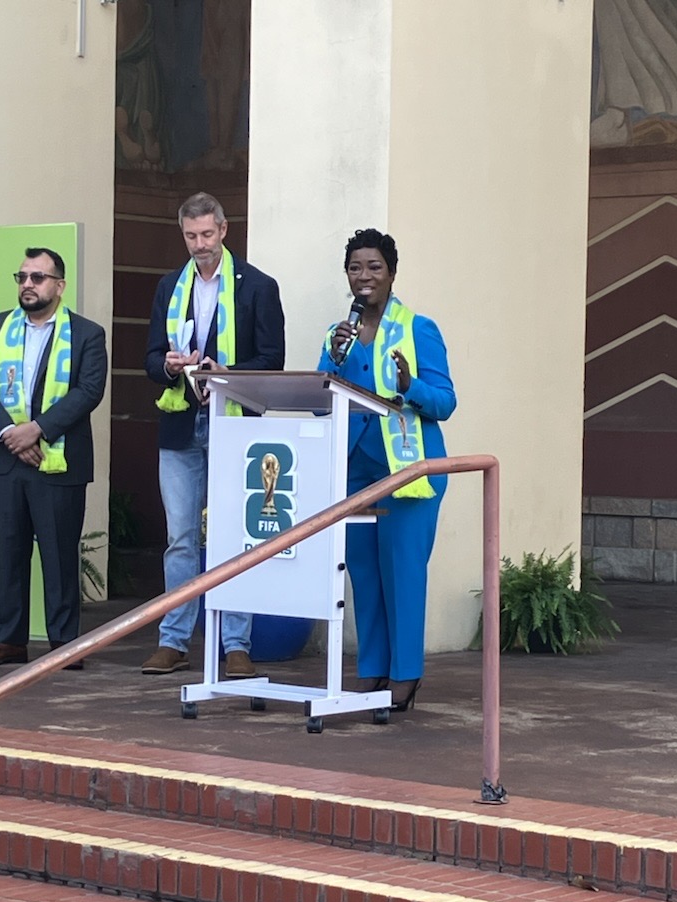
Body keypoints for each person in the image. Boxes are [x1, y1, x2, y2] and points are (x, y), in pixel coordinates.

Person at [142, 191, 285, 677]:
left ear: (224, 230)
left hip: (235, 425)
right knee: (180, 538)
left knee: (232, 536)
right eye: (191, 236)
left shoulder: (258, 286)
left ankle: (236, 645)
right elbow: (150, 358)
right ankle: (173, 640)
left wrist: (227, 374)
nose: (200, 244)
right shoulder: (170, 285)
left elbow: (273, 360)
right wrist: (167, 365)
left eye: (207, 234)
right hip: (180, 424)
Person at [317, 228, 456, 712]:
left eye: (374, 267)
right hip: (356, 469)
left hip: (408, 470)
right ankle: (372, 668)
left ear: (392, 273)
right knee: (364, 572)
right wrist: (331, 359)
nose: (364, 276)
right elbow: (320, 400)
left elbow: (445, 402)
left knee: (402, 572)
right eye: (355, 267)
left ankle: (405, 675)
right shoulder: (339, 335)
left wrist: (410, 386)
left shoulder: (419, 330)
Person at [0, 248, 108, 668]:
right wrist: (11, 434)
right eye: (23, 277)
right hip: (6, 458)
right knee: (10, 552)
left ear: (59, 286)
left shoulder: (87, 334)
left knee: (59, 555)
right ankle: (8, 640)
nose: (28, 284)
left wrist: (38, 429)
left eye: (38, 277)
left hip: (58, 460)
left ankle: (63, 645)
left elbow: (89, 390)